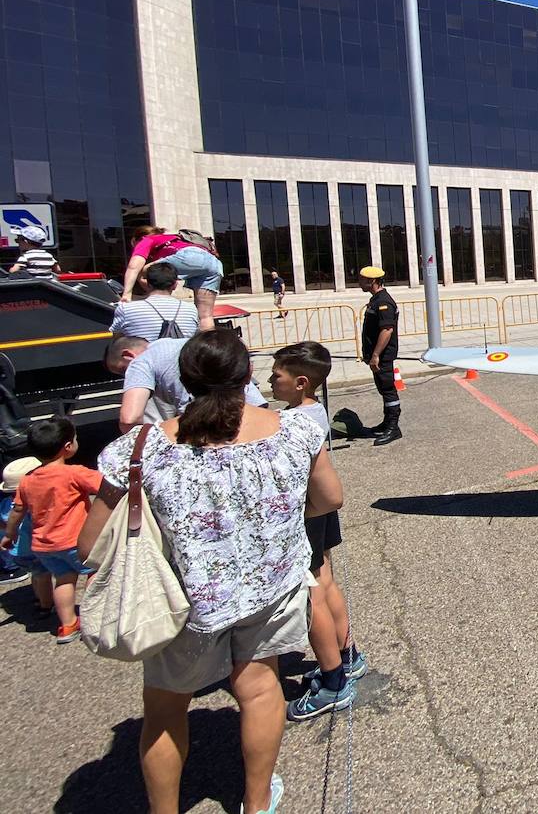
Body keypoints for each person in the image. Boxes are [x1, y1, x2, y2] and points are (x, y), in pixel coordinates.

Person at [79, 329, 343, 814]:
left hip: (182, 600)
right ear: (246, 377)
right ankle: (257, 802)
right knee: (260, 688)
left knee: (164, 708)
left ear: (181, 381)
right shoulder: (296, 430)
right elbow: (329, 498)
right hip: (271, 586)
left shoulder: (140, 449)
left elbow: (90, 542)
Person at [268, 342, 367, 721]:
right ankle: (347, 654)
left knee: (310, 596)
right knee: (325, 580)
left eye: (277, 376)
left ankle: (333, 681)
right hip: (321, 508)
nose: (270, 381)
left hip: (308, 511)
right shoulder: (314, 411)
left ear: (301, 383)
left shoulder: (293, 422)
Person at [1, 418, 97, 643]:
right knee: (96, 572)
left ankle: (67, 625)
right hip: (75, 541)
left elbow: (16, 512)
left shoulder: (27, 481)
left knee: (64, 579)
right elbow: (108, 485)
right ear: (67, 447)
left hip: (44, 546)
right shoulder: (75, 473)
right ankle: (94, 619)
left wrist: (9, 535)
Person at [106, 335, 267, 432]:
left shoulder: (141, 361)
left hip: (211, 427)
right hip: (254, 412)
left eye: (122, 371)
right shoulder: (190, 343)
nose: (126, 377)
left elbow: (129, 419)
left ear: (127, 355)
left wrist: (148, 446)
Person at [120, 226, 224, 333]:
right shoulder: (176, 238)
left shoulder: (146, 239)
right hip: (214, 263)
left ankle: (154, 298)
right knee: (205, 317)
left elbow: (133, 267)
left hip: (189, 256)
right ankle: (208, 347)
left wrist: (126, 294)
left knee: (141, 272)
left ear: (136, 240)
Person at [358, 266, 402, 446]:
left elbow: (386, 330)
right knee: (383, 389)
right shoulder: (376, 300)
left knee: (388, 389)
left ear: (372, 281)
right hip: (376, 355)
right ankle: (386, 423)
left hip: (383, 356)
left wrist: (376, 355)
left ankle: (393, 427)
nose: (359, 282)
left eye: (362, 280)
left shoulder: (384, 302)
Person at [110, 261, 200, 341]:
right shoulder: (191, 309)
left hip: (142, 358)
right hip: (181, 358)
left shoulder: (126, 309)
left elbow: (117, 341)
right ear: (175, 285)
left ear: (148, 284)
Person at [0, 456, 40, 587]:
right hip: (35, 550)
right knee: (42, 574)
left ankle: (39, 598)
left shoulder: (5, 504)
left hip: (16, 553)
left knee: (36, 574)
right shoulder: (32, 506)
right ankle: (44, 602)